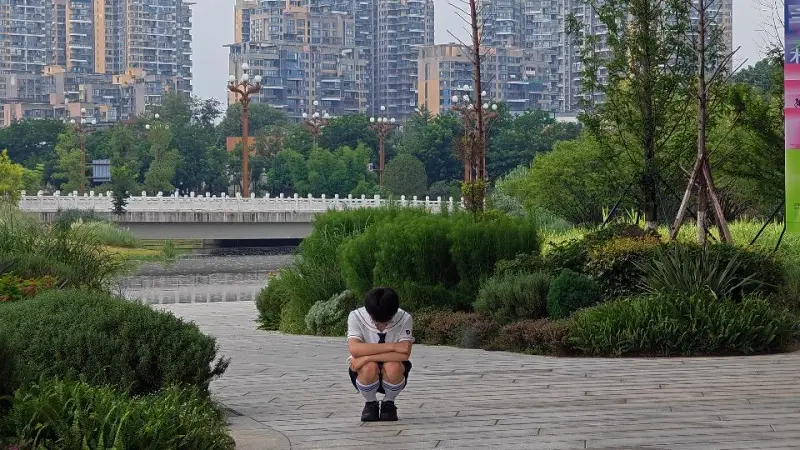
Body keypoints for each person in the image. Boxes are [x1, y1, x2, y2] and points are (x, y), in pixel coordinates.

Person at [347, 287, 414, 422]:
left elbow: (404, 355)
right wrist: (393, 346)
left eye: (387, 319)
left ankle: (389, 403)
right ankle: (370, 403)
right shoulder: (356, 316)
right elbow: (355, 349)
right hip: (364, 371)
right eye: (376, 320)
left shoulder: (405, 318)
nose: (381, 323)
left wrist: (366, 357)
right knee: (369, 367)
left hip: (393, 367)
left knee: (392, 367)